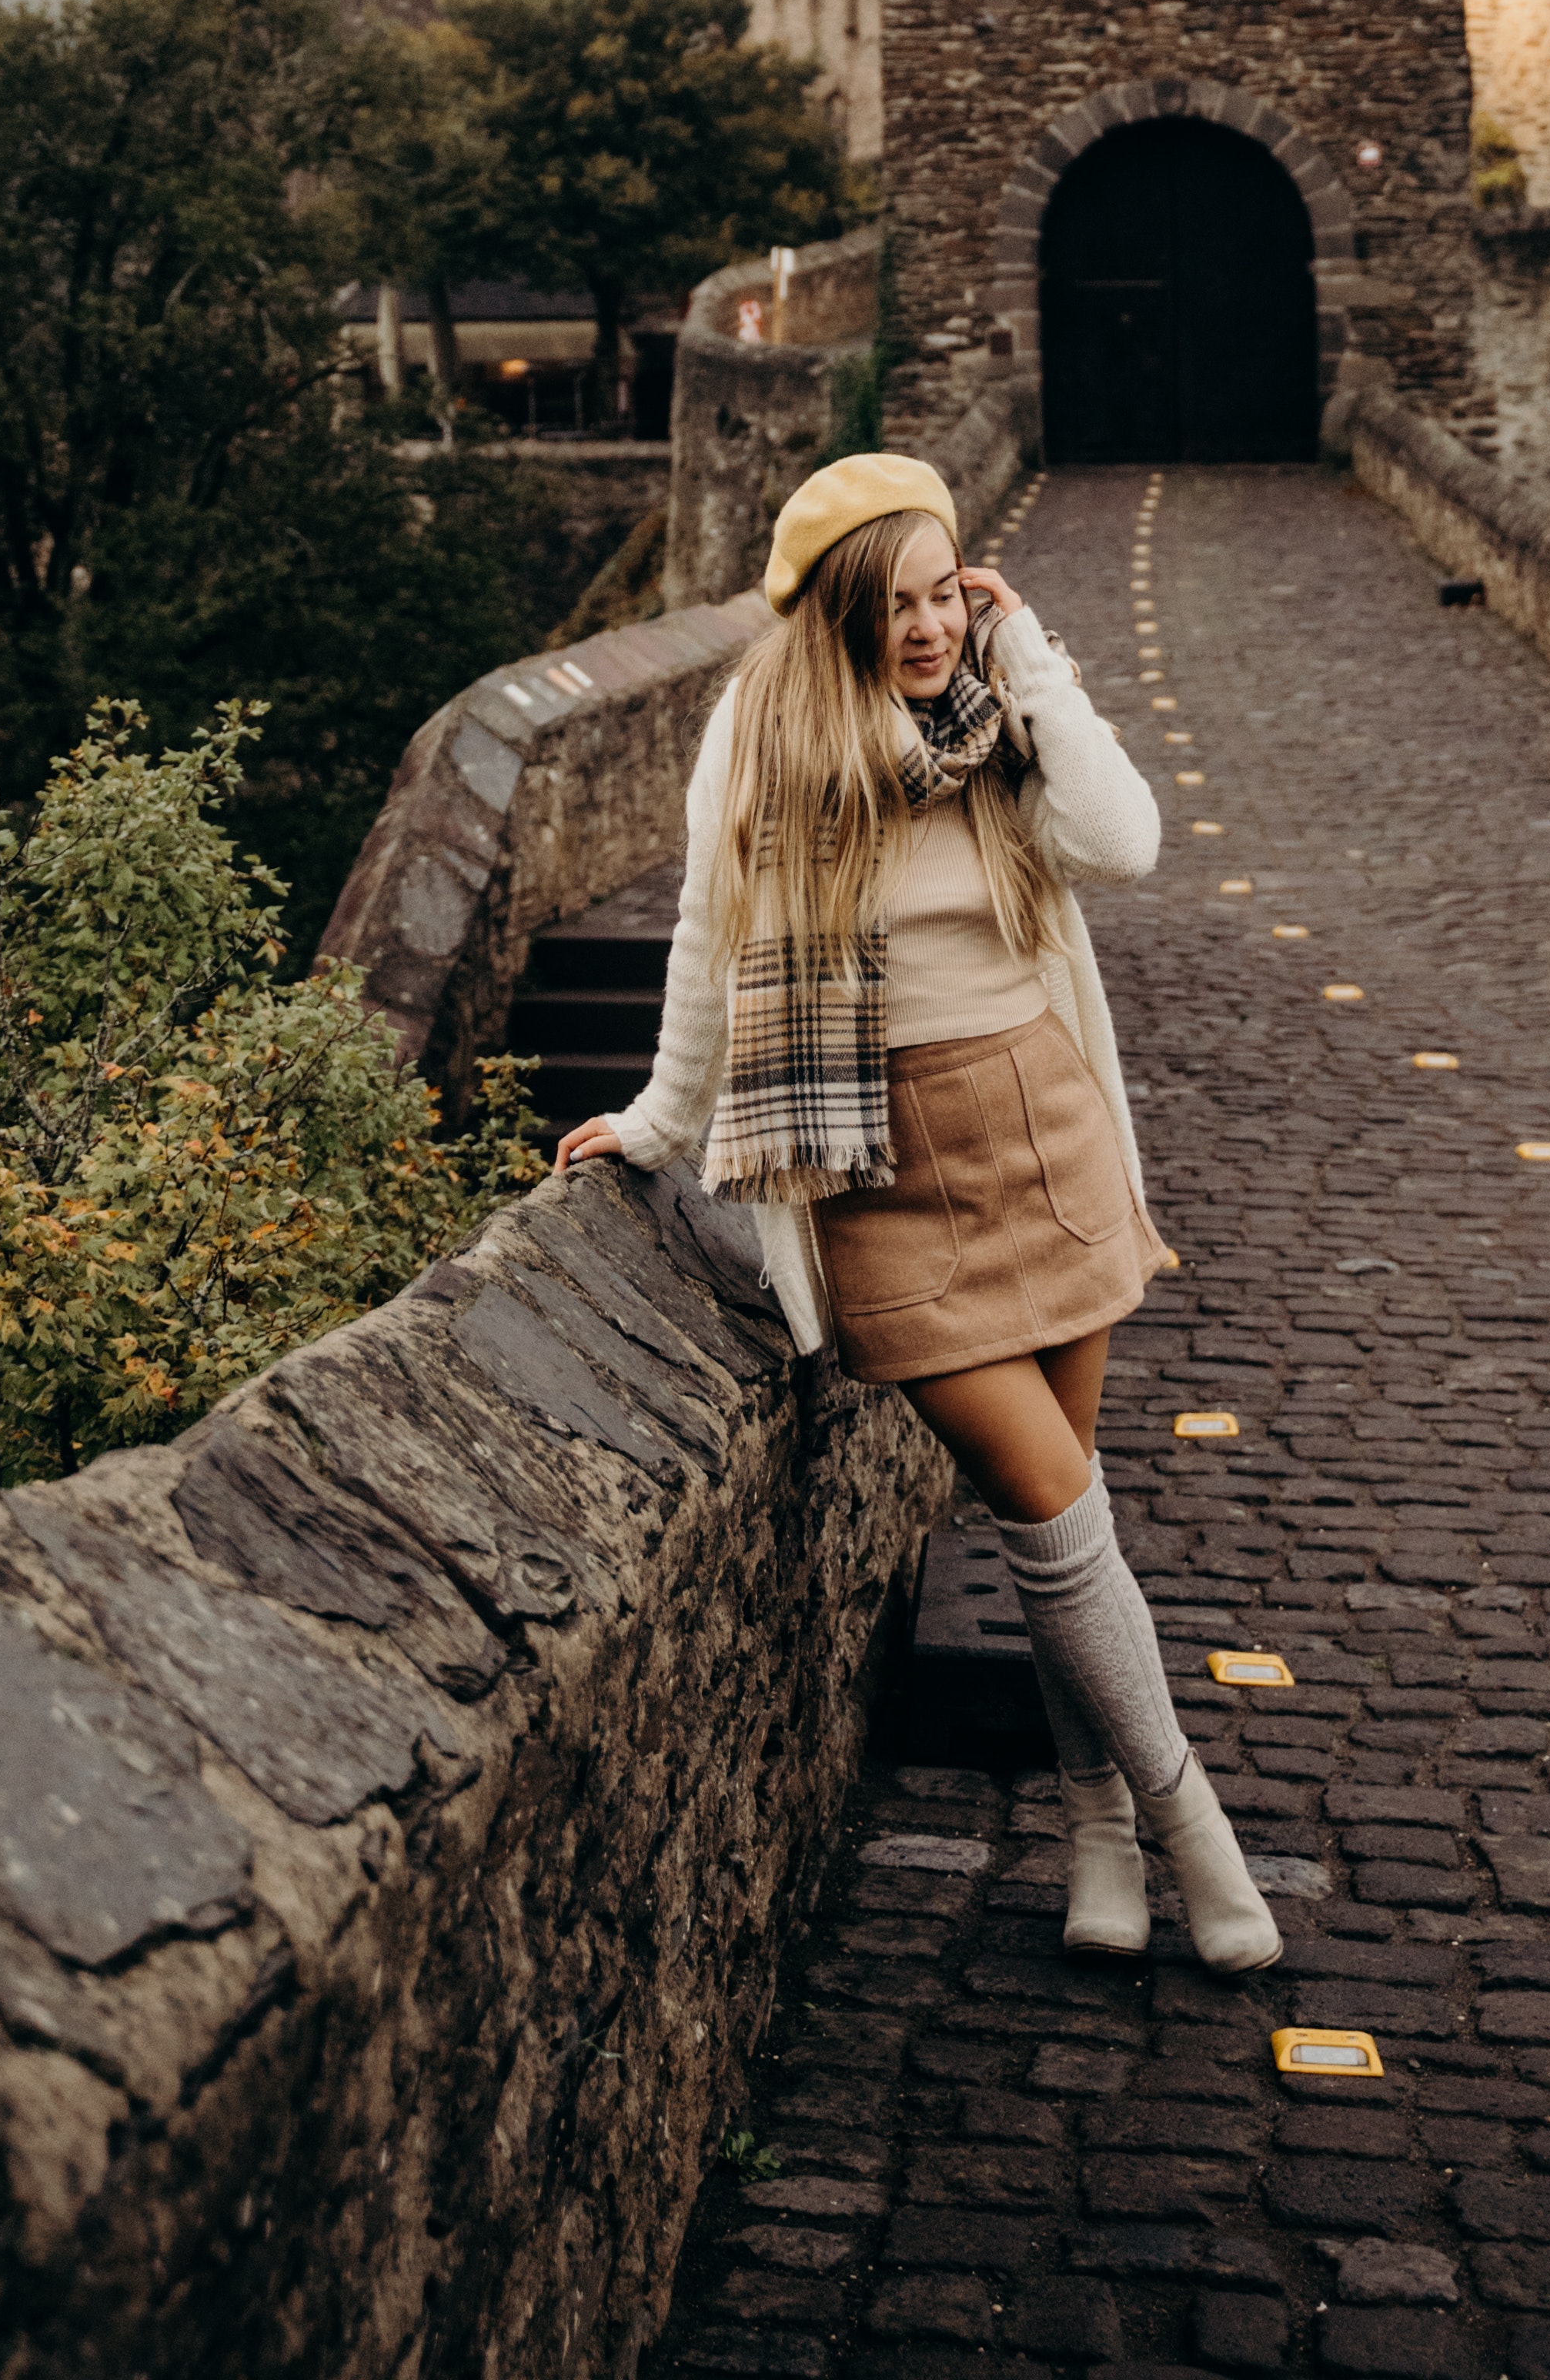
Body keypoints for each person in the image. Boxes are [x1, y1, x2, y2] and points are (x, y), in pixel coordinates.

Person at [556, 450, 1278, 1971]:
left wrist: (1036, 663)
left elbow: (1121, 842)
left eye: (945, 595)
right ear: (831, 614)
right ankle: (1191, 1824)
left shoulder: (996, 712)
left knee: (1058, 1516)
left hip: (1039, 1125)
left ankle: (1093, 1829)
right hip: (869, 1170)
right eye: (894, 606)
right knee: (1039, 1499)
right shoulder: (759, 742)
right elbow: (706, 937)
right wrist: (655, 1123)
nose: (927, 629)